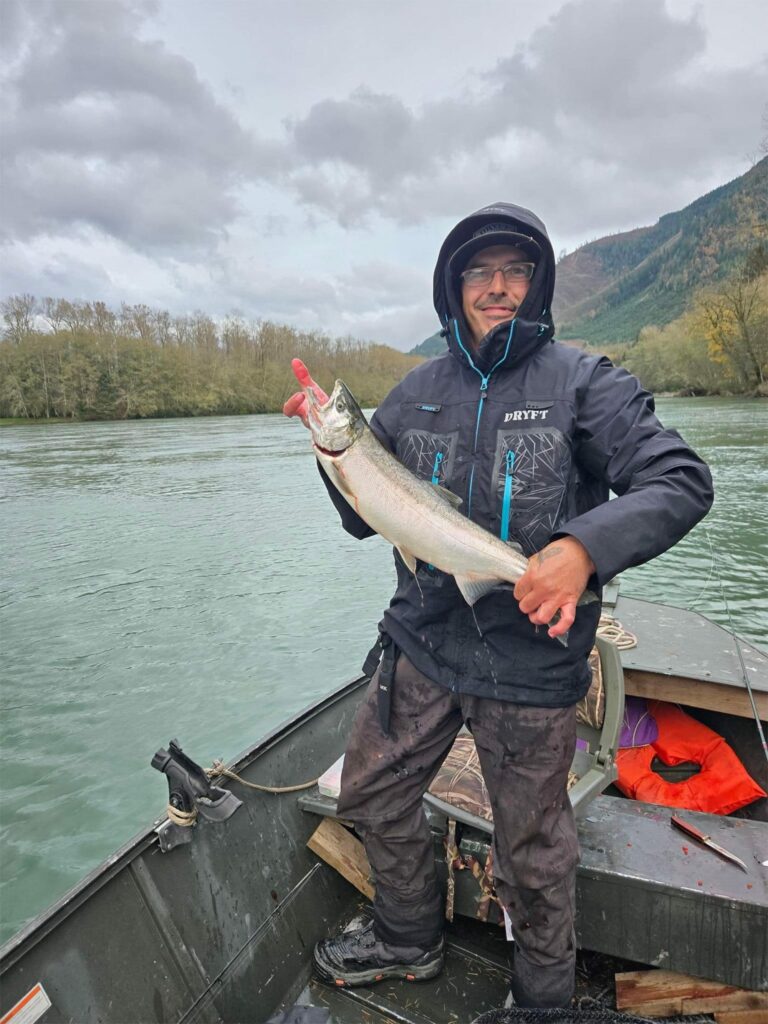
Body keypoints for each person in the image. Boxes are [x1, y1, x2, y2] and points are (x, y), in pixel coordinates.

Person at [283, 202, 713, 1008]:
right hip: (424, 643)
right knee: (370, 796)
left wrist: (583, 550)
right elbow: (357, 516)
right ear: (454, 287)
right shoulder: (413, 395)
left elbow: (681, 481)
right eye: (480, 272)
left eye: (516, 270)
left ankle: (544, 997)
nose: (499, 287)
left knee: (533, 847)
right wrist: (325, 449)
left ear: (538, 281)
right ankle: (408, 936)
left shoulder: (587, 383)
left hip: (531, 658)